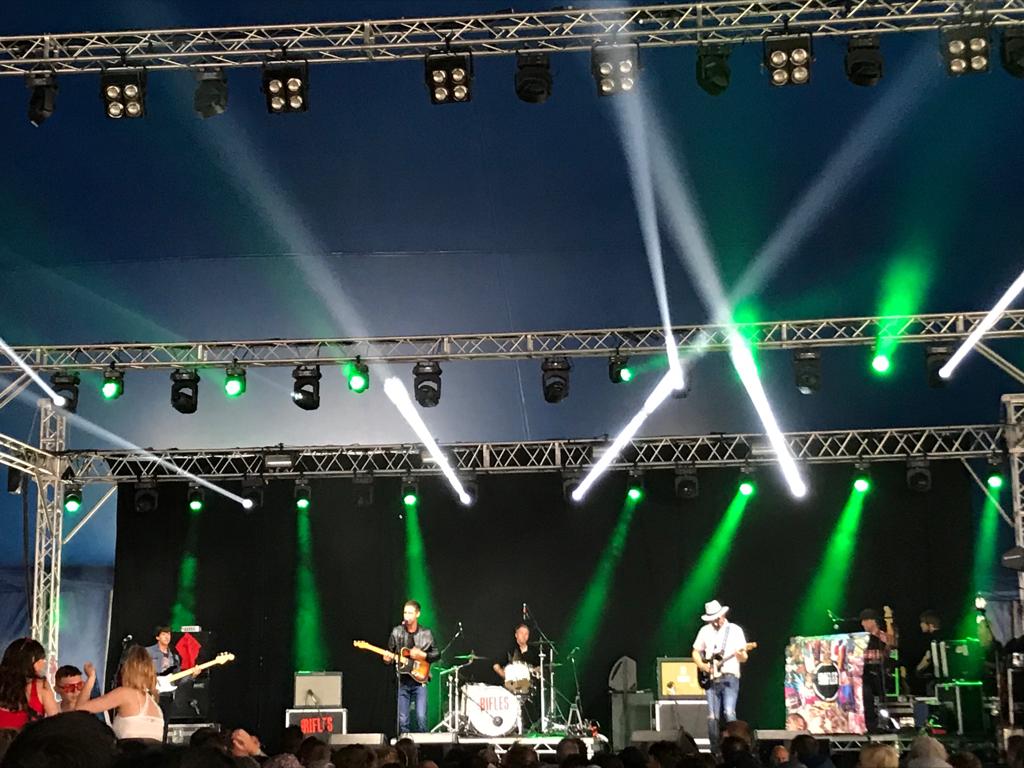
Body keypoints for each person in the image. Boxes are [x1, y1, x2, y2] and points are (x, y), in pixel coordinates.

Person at [72, 645, 163, 742]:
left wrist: (91, 678)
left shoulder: (124, 693)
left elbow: (80, 708)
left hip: (128, 750)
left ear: (126, 669)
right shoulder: (155, 705)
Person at [691, 600, 749, 749]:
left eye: (718, 618)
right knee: (712, 716)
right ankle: (714, 750)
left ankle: (736, 746)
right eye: (713, 619)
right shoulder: (704, 631)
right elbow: (695, 652)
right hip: (711, 678)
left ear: (723, 615)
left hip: (729, 676)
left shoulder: (735, 630)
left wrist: (741, 654)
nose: (716, 622)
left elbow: (743, 658)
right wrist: (702, 666)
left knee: (729, 712)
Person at [383, 600, 440, 733]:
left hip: (420, 681)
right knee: (403, 720)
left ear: (417, 614)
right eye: (405, 613)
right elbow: (390, 653)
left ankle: (423, 744)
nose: (406, 616)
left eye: (410, 613)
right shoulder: (397, 632)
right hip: (403, 681)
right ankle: (404, 743)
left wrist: (422, 654)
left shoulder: (426, 633)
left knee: (421, 717)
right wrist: (387, 659)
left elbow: (437, 654)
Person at [0, 638, 59, 730]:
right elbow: (57, 722)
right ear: (32, 659)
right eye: (42, 658)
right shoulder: (40, 686)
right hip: (29, 738)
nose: (44, 662)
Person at [493, 622, 541, 731]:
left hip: (528, 684)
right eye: (521, 633)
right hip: (510, 684)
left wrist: (536, 670)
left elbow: (539, 667)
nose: (524, 636)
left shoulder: (534, 651)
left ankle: (531, 724)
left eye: (526, 634)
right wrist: (504, 675)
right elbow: (495, 665)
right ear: (516, 635)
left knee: (534, 699)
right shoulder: (508, 649)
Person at [912, 610, 943, 695]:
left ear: (930, 624)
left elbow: (927, 658)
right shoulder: (945, 635)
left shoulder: (932, 639)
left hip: (935, 680)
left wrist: (917, 670)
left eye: (922, 622)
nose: (920, 625)